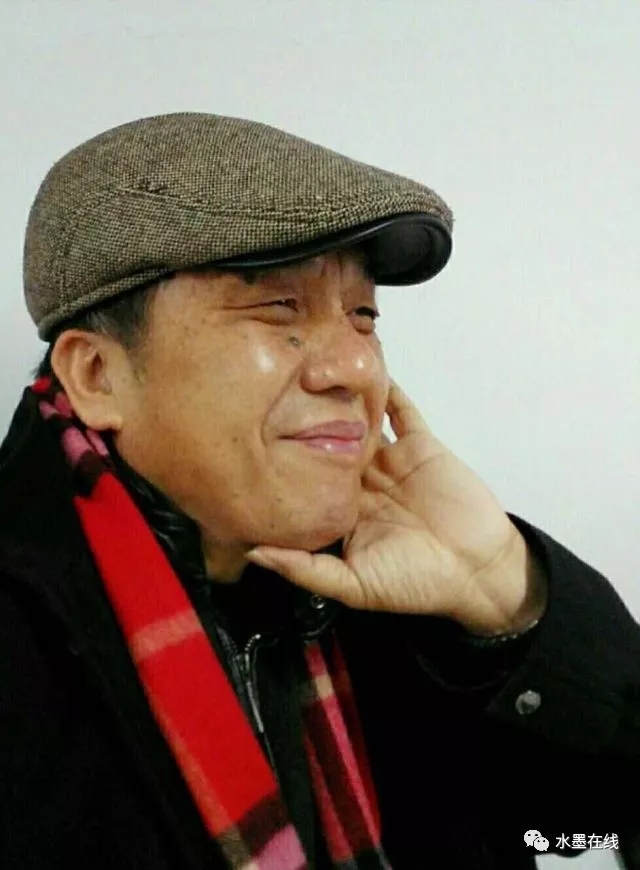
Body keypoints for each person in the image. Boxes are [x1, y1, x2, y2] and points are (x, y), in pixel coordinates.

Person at [0, 112, 637, 870]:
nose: (358, 369)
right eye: (279, 309)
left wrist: (506, 592)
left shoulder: (398, 597)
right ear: (98, 375)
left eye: (363, 316)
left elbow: (588, 835)